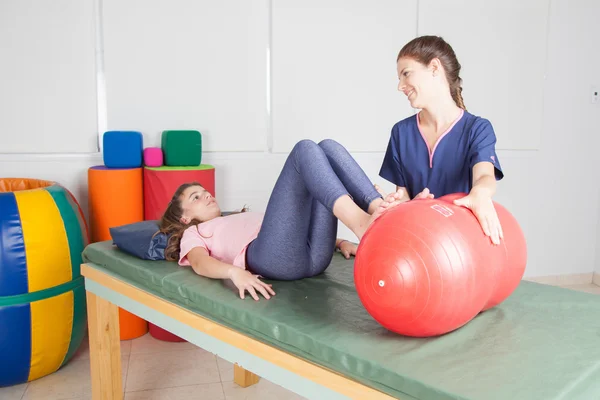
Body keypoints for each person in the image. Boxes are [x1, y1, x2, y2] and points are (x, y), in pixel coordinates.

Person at [159, 139, 404, 301]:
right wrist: (234, 273)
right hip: (273, 260)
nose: (207, 195)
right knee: (304, 150)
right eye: (196, 197)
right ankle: (362, 223)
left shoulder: (236, 217)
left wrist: (339, 243)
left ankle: (376, 208)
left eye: (205, 191)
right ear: (184, 217)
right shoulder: (195, 233)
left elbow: (293, 230)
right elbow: (201, 264)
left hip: (315, 257)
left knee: (327, 147)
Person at [378, 35, 505, 245]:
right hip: (417, 239)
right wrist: (395, 203)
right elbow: (404, 196)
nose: (400, 86)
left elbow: (485, 176)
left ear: (434, 67)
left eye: (406, 74)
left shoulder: (477, 129)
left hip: (460, 243)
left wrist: (480, 194)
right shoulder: (401, 132)